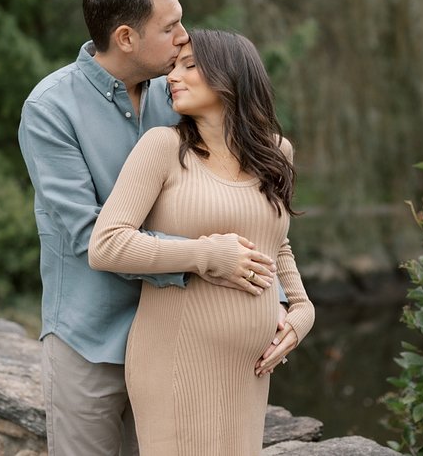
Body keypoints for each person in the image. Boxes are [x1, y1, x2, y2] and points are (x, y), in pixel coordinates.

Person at [18, 0, 284, 456]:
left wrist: (283, 303)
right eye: (171, 27)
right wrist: (205, 255)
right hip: (89, 338)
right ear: (125, 38)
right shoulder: (50, 109)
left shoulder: (181, 93)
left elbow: (244, 206)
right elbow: (88, 237)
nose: (185, 37)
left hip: (179, 345)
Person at [88, 28, 315, 456]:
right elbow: (107, 244)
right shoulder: (162, 147)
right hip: (174, 361)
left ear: (231, 75)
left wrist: (302, 310)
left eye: (189, 66)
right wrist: (205, 255)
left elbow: (275, 242)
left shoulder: (277, 152)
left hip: (248, 370)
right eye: (173, 66)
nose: (173, 76)